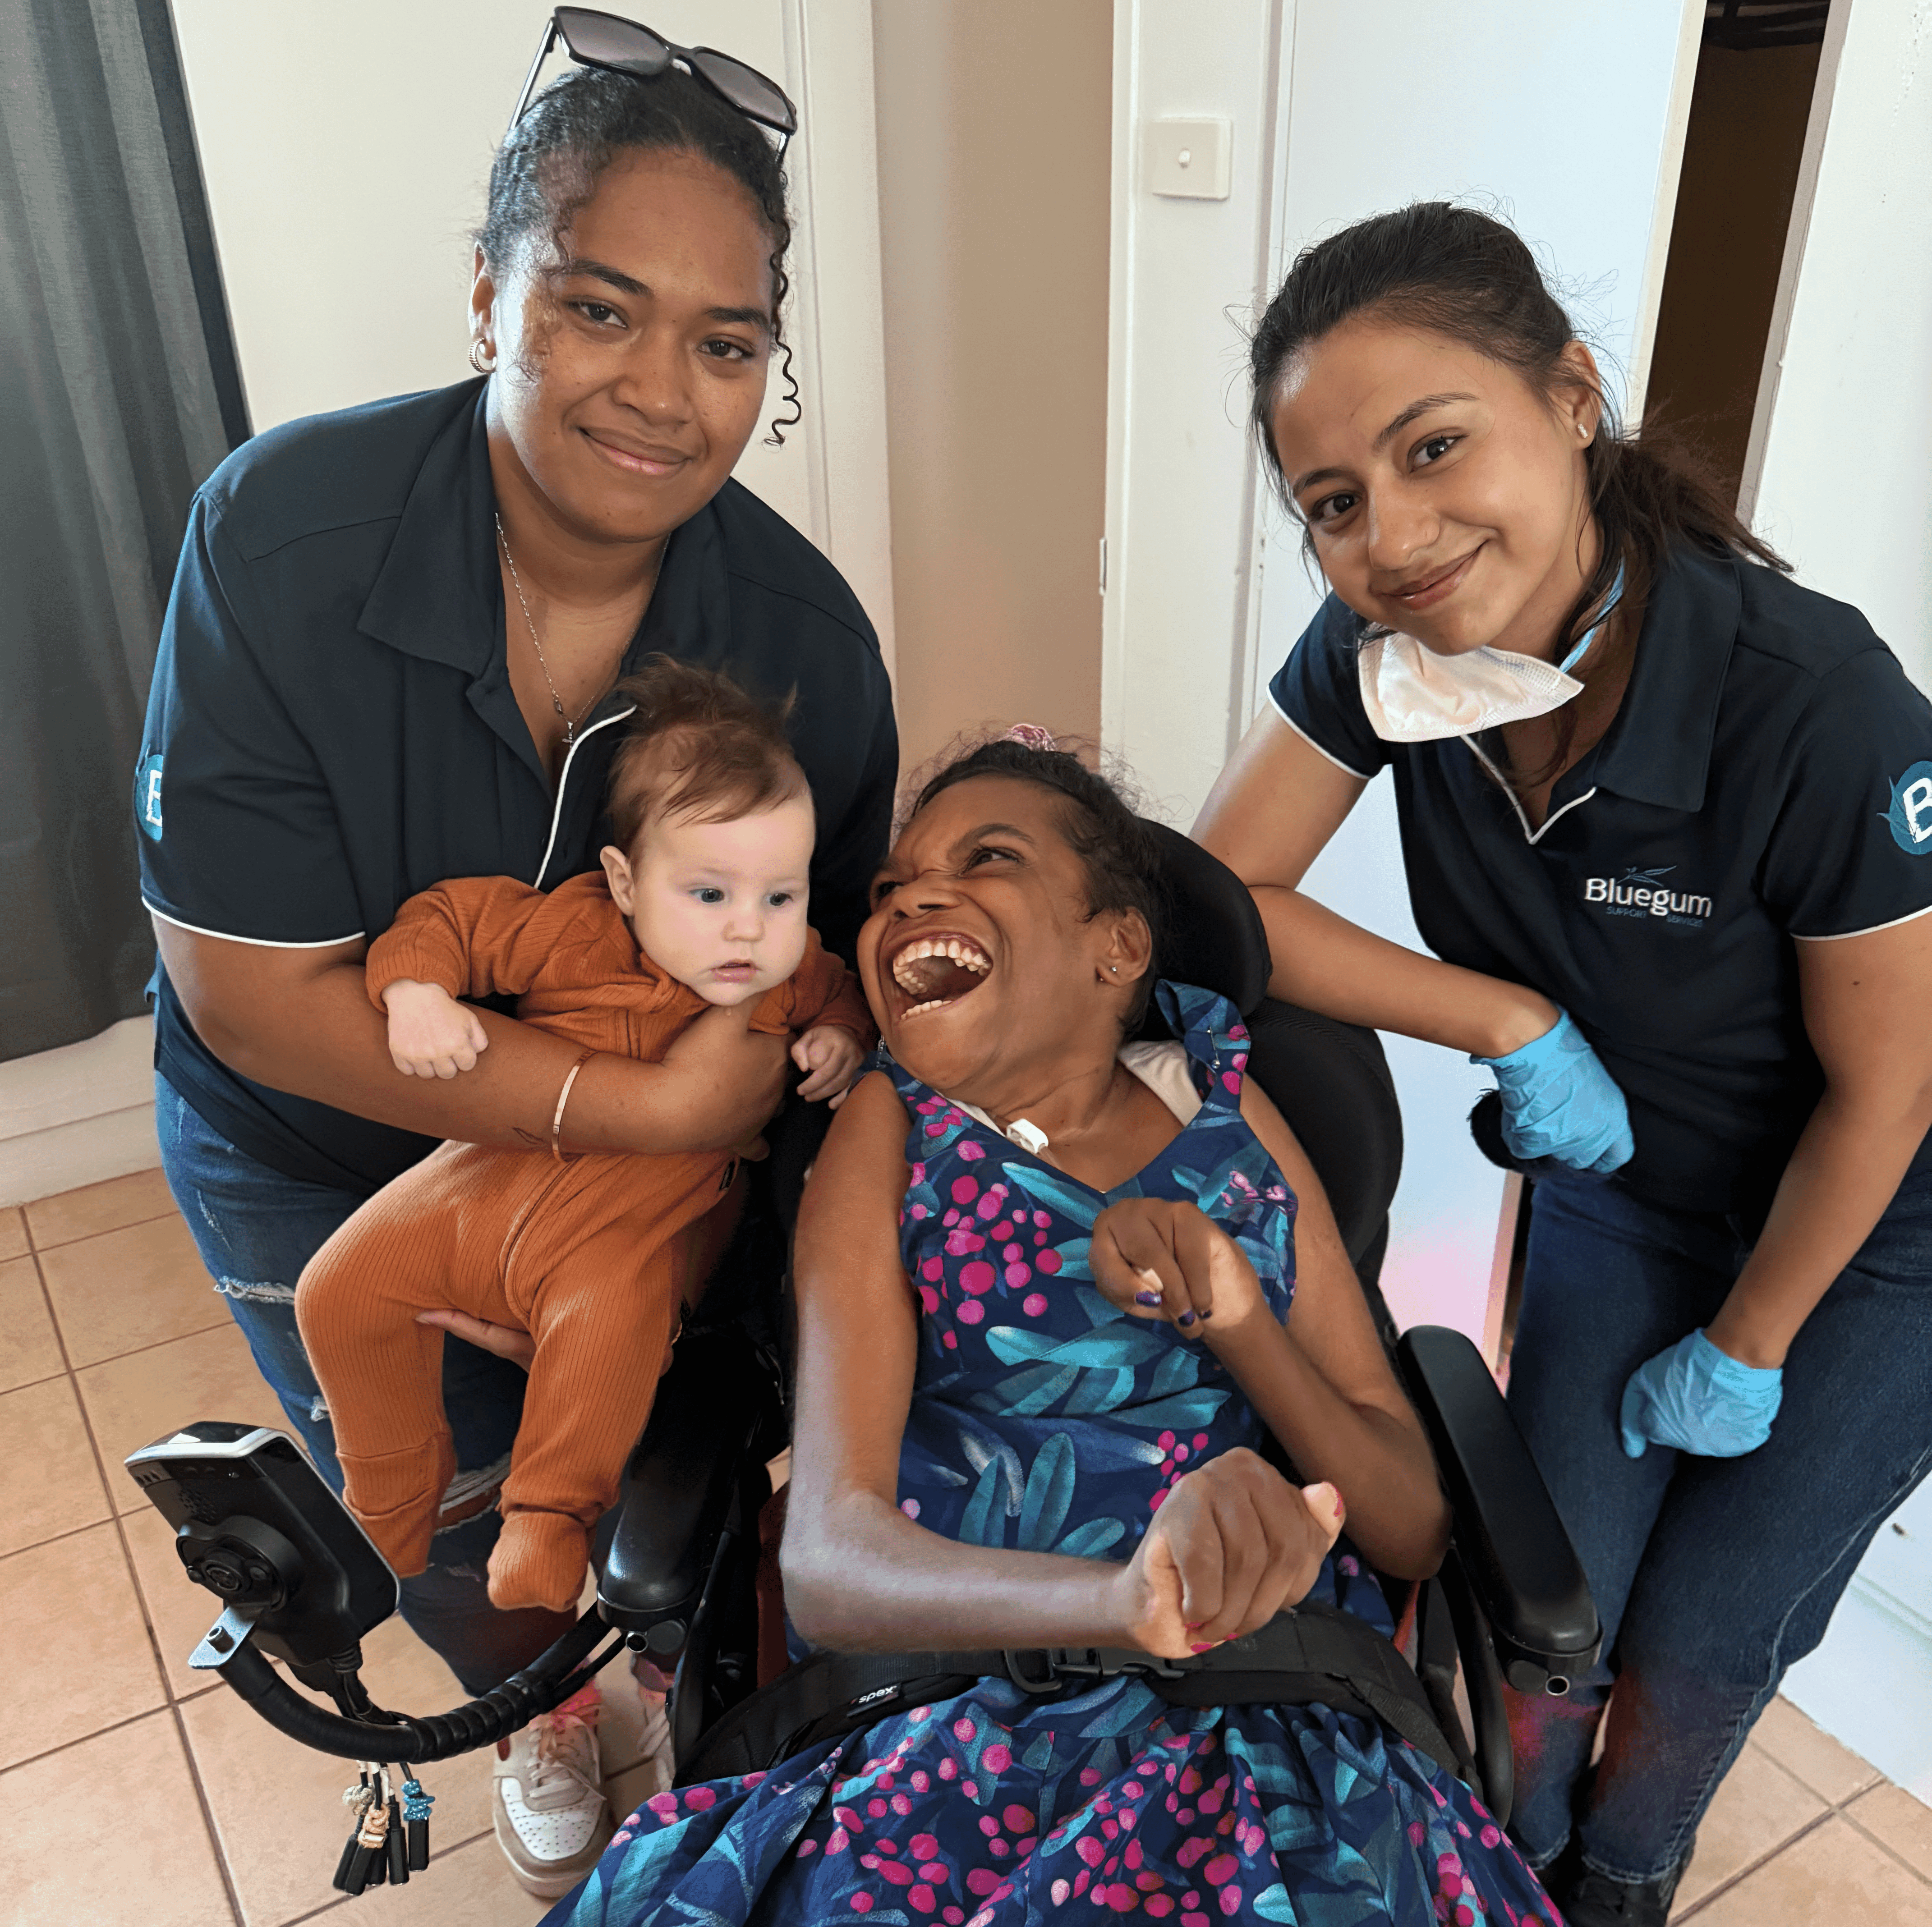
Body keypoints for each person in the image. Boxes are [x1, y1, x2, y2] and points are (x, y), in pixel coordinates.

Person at [133, 44, 896, 1899]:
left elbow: (816, 996)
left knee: (629, 1480)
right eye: (598, 307)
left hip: (632, 1201)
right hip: (309, 1146)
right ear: (492, 293)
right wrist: (617, 1110)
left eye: (728, 340)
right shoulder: (281, 540)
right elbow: (254, 994)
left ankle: (627, 1669)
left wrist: (704, 1158)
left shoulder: (808, 647)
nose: (663, 389)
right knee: (452, 1536)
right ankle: (540, 1716)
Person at [1194, 202, 1932, 1926]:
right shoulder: (1384, 662)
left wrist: (1749, 1342)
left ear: (1573, 398)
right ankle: (1504, 1870)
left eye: (1434, 445)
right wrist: (1506, 1019)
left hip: (1878, 1233)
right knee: (1555, 1616)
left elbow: (1892, 1087)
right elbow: (1214, 898)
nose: (1395, 534)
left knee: (1699, 1641)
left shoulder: (1815, 705)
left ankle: (1624, 1879)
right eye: (1330, 503)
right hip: (1627, 1194)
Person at [540, 737, 1559, 1927]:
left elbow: (1413, 1524)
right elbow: (824, 1566)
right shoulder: (892, 1124)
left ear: (1114, 946)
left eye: (988, 858)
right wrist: (1119, 1599)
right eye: (890, 888)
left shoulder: (1228, 1109)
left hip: (1270, 1712)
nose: (910, 895)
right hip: (955, 1708)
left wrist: (1240, 1323)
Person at [295, 660, 872, 1618]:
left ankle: (549, 1518)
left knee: (610, 1339)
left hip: (625, 1237)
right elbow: (450, 919)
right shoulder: (571, 930)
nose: (750, 931)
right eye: (710, 893)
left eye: (782, 896)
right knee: (338, 1288)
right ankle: (389, 1489)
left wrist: (839, 1037)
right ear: (625, 882)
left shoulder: (793, 973)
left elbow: (841, 990)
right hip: (488, 1180)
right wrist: (415, 990)